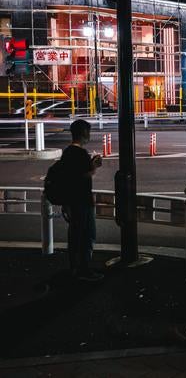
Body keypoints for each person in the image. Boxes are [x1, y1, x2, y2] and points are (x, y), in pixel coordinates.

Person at [62, 119, 103, 281]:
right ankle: (84, 270)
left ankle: (74, 268)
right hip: (83, 202)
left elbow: (68, 178)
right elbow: (83, 175)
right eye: (88, 131)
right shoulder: (80, 154)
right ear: (84, 133)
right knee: (87, 236)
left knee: (75, 236)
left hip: (72, 201)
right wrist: (94, 166)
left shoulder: (67, 153)